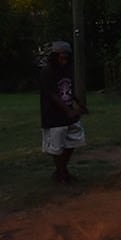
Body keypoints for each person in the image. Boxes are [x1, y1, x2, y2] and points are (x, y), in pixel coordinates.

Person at [39, 40, 86, 183]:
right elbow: (52, 94)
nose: (64, 60)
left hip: (67, 112)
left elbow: (68, 89)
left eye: (66, 57)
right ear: (54, 56)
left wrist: (79, 103)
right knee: (57, 146)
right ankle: (62, 174)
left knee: (75, 139)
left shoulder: (67, 69)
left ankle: (61, 171)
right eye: (61, 57)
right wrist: (68, 110)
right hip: (53, 114)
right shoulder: (47, 72)